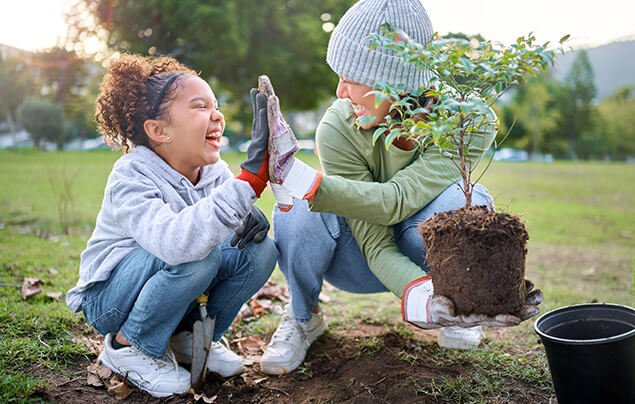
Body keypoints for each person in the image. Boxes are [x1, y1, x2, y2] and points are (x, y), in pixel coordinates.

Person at [259, 0, 542, 375]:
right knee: (296, 210)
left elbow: (396, 202)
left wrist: (476, 291)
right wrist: (418, 296)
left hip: (427, 251)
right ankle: (302, 316)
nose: (341, 92)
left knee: (462, 199)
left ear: (394, 81)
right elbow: (375, 243)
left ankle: (459, 303)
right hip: (356, 258)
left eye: (352, 78)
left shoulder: (468, 120)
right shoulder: (337, 128)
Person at [65, 54, 278, 397]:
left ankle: (189, 338)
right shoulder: (131, 175)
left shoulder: (214, 172)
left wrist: (241, 216)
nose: (217, 115)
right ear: (159, 130)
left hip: (170, 281)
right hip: (110, 298)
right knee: (195, 255)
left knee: (258, 250)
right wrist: (248, 183)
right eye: (199, 106)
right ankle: (128, 347)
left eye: (216, 105)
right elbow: (176, 243)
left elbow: (217, 222)